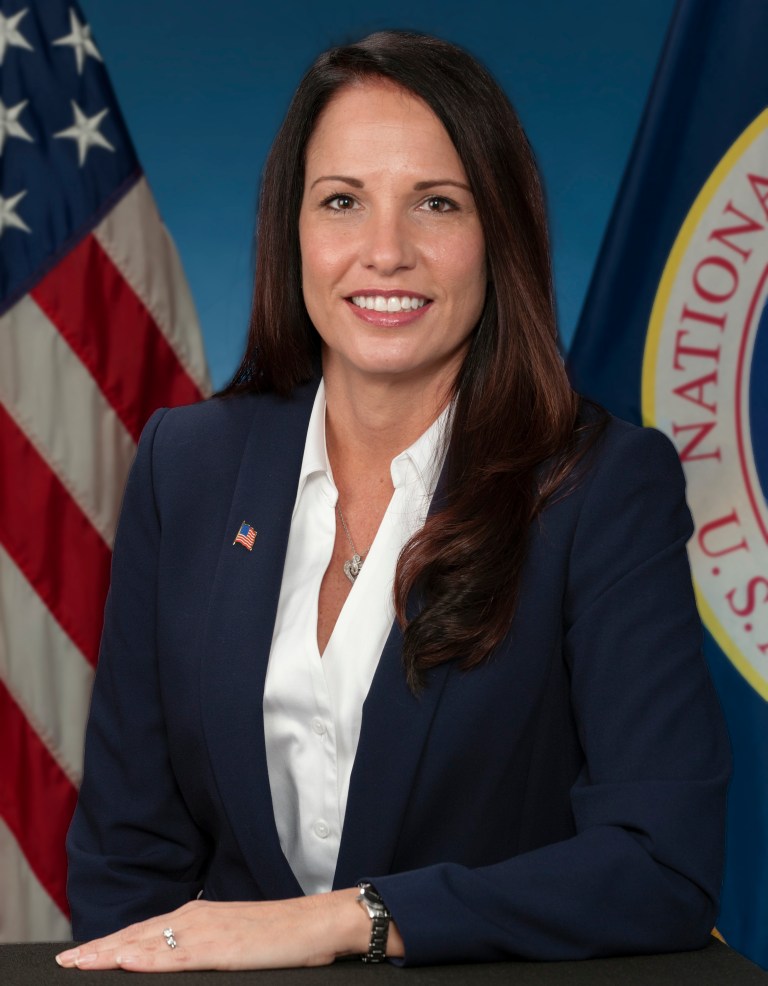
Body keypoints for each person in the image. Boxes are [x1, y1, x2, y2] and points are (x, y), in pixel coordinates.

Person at [57, 30, 730, 973]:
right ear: (292, 229)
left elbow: (661, 865)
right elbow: (126, 862)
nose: (385, 252)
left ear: (499, 234)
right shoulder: (189, 466)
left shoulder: (601, 487)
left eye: (436, 205)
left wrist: (348, 919)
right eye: (342, 202)